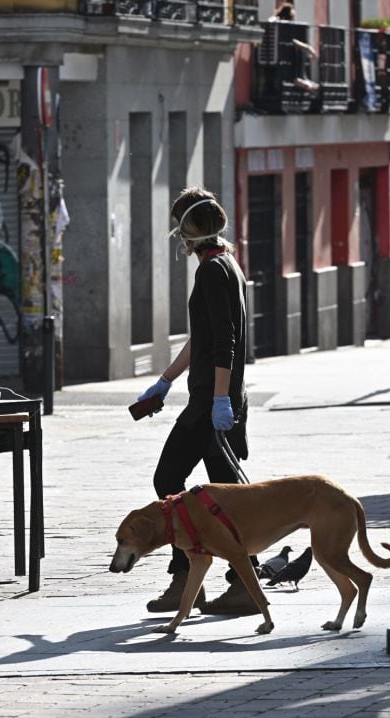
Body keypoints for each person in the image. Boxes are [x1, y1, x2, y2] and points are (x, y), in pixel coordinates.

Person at [136, 186, 260, 616]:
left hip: (212, 401)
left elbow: (224, 340)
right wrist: (165, 382)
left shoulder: (212, 270)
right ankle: (219, 580)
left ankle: (198, 579)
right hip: (213, 398)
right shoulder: (227, 263)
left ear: (186, 230)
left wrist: (220, 400)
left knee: (170, 480)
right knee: (225, 492)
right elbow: (204, 337)